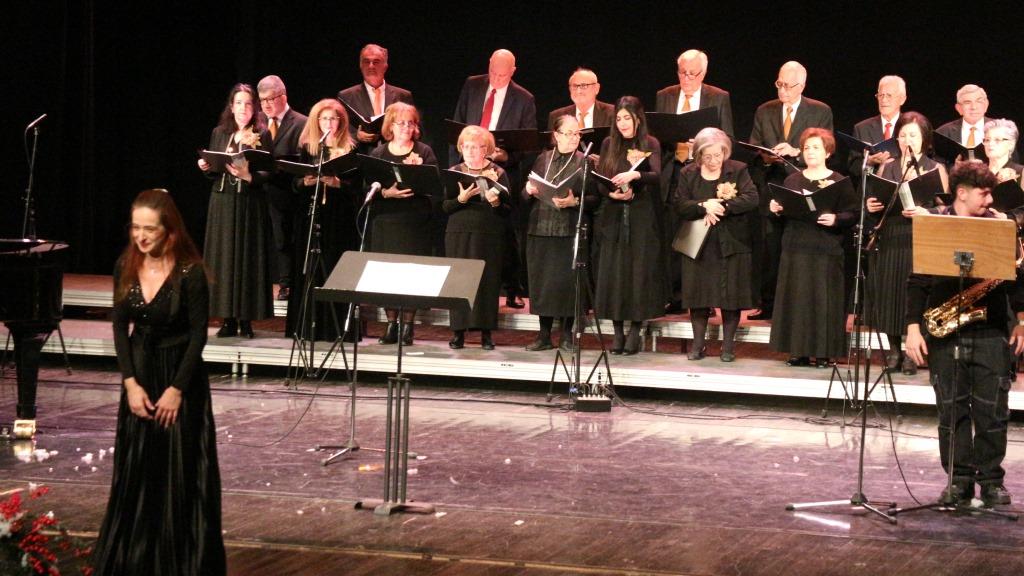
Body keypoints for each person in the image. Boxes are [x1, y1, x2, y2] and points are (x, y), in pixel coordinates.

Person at [93, 189, 225, 575]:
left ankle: (181, 563)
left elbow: (198, 336)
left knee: (180, 473)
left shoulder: (190, 272)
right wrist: (130, 384)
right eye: (136, 227)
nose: (141, 236)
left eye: (149, 229)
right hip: (141, 376)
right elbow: (120, 328)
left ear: (169, 230)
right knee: (138, 470)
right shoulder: (125, 265)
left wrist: (176, 390)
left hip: (179, 378)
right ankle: (134, 560)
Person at [905, 160, 1024, 507]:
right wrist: (912, 328)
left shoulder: (1001, 226)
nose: (990, 200)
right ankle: (958, 481)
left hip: (991, 332)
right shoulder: (935, 225)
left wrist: (1021, 321)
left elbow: (1017, 283)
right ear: (961, 193)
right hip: (946, 335)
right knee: (951, 412)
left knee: (993, 412)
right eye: (984, 194)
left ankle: (991, 481)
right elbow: (917, 281)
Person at [452, 49, 537, 309]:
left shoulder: (524, 98)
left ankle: (512, 289)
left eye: (502, 75)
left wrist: (505, 156)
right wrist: (460, 163)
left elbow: (529, 143)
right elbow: (458, 125)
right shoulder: (472, 85)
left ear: (513, 72)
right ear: (488, 66)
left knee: (507, 234)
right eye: (493, 73)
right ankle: (465, 290)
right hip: (469, 165)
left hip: (502, 171)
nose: (496, 79)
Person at [748, 61, 834, 321]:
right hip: (772, 185)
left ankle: (801, 305)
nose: (782, 90)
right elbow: (754, 146)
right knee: (770, 247)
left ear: (802, 86)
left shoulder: (819, 111)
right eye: (779, 84)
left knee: (801, 245)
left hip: (804, 185)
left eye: (788, 85)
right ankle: (768, 303)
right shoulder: (765, 110)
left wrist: (796, 152)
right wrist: (766, 156)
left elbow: (827, 148)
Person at [865, 112, 947, 376]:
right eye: (902, 135)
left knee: (914, 293)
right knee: (891, 290)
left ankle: (914, 352)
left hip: (921, 236)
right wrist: (871, 205)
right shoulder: (888, 166)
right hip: (892, 235)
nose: (907, 140)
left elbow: (946, 209)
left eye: (913, 135)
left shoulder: (934, 168)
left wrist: (927, 212)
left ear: (924, 139)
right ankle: (893, 350)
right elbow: (878, 199)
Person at [656, 49, 735, 315]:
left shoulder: (718, 97)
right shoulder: (665, 95)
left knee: (702, 237)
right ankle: (675, 296)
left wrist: (704, 145)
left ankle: (705, 298)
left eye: (693, 73)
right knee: (673, 234)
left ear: (704, 73)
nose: (687, 78)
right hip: (673, 171)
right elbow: (656, 136)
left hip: (703, 173)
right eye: (682, 72)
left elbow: (728, 137)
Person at [768, 128, 854, 367]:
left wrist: (836, 219)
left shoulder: (838, 181)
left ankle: (824, 352)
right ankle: (798, 351)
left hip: (826, 248)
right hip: (796, 246)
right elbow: (783, 212)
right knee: (798, 300)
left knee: (823, 301)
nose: (810, 152)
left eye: (816, 147)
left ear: (828, 152)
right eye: (807, 148)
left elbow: (852, 213)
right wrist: (776, 209)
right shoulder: (792, 180)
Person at [671, 127, 758, 362]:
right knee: (698, 296)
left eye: (717, 155)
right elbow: (680, 204)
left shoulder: (737, 170)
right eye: (707, 156)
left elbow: (751, 198)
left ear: (725, 152)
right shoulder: (688, 173)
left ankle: (727, 347)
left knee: (731, 297)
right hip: (699, 244)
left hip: (731, 242)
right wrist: (703, 206)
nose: (713, 161)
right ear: (699, 155)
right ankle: (698, 345)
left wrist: (721, 207)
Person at [198, 83, 273, 338]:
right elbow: (215, 169)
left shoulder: (262, 134)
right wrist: (206, 166)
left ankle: (246, 320)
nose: (243, 108)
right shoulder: (220, 132)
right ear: (231, 107)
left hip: (249, 203)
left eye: (248, 103)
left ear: (255, 108)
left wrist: (249, 176)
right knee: (224, 259)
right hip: (223, 203)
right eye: (238, 103)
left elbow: (269, 171)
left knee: (247, 259)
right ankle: (227, 319)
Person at [594, 96, 665, 355]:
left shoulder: (650, 143)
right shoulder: (608, 143)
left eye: (627, 118)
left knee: (638, 273)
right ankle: (617, 332)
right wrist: (610, 193)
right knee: (615, 273)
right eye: (619, 118)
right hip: (613, 215)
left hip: (641, 215)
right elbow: (601, 179)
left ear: (638, 119)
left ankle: (636, 329)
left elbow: (656, 175)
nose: (623, 123)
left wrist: (636, 174)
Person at [286, 99, 359, 341]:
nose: (329, 123)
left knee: (336, 267)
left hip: (338, 219)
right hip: (311, 214)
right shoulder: (308, 148)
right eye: (324, 118)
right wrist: (303, 182)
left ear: (341, 122)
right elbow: (293, 184)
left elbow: (358, 189)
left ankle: (336, 329)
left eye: (334, 118)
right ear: (317, 121)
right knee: (310, 268)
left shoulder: (350, 150)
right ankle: (307, 327)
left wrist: (338, 184)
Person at [368, 102, 439, 345]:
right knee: (387, 275)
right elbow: (368, 186)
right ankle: (391, 325)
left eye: (411, 123)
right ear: (390, 126)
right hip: (386, 222)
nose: (406, 127)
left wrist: (417, 175)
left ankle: (408, 326)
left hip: (414, 222)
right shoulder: (379, 153)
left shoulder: (424, 152)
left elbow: (435, 186)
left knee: (412, 275)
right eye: (401, 123)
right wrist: (386, 193)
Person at [523, 115, 593, 351]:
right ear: (556, 135)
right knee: (542, 283)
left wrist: (575, 202)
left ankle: (566, 336)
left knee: (567, 284)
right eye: (568, 133)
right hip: (540, 228)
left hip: (568, 230)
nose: (574, 138)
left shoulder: (585, 161)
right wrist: (528, 190)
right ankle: (543, 335)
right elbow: (525, 194)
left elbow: (595, 199)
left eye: (577, 133)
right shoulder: (543, 158)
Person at [443, 125, 512, 350]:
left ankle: (486, 333)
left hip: (488, 233)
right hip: (459, 232)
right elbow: (444, 206)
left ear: (486, 149)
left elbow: (508, 210)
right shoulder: (454, 171)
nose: (470, 151)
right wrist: (460, 200)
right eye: (466, 146)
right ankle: (458, 332)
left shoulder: (498, 173)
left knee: (486, 282)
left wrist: (495, 201)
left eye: (476, 147)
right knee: (458, 281)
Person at [257, 75, 307, 302]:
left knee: (284, 238)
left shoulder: (301, 122)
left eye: (271, 99)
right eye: (262, 100)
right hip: (259, 189)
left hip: (287, 191)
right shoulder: (257, 122)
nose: (266, 105)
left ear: (283, 97)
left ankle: (287, 283)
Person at [336, 44, 415, 154]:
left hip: (394, 157)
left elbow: (416, 130)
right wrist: (356, 136)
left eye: (376, 62)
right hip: (360, 158)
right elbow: (337, 132)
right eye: (366, 62)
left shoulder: (403, 96)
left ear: (385, 66)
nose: (371, 66)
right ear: (360, 65)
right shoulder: (346, 96)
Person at [848, 75, 907, 180]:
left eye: (889, 95)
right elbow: (853, 167)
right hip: (872, 187)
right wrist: (869, 163)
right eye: (880, 95)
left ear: (902, 99)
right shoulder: (862, 128)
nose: (884, 100)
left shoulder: (911, 127)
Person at [546, 68, 614, 130]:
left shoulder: (612, 113)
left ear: (596, 88)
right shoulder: (556, 116)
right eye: (575, 86)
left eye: (584, 86)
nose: (579, 91)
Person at [984, 118, 1024, 193]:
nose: (990, 144)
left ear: (1011, 144)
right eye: (987, 140)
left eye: (997, 140)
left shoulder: (1021, 171)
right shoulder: (978, 173)